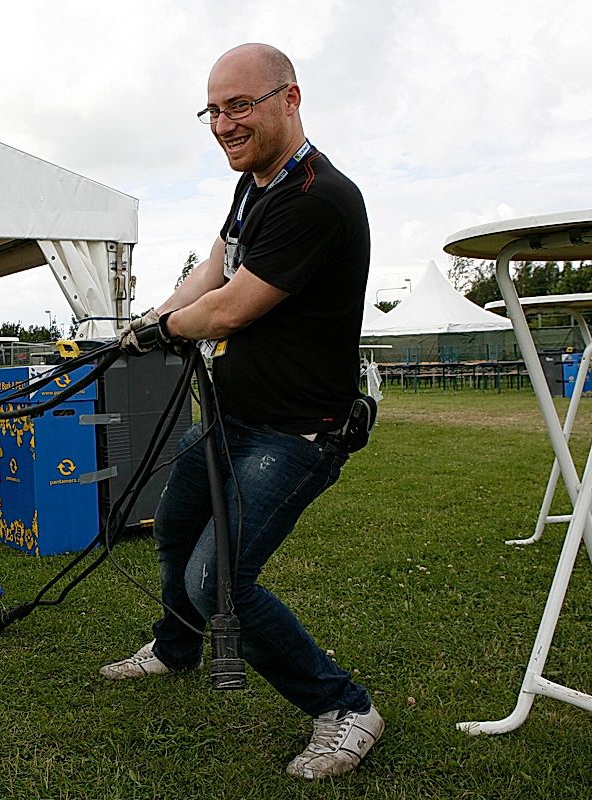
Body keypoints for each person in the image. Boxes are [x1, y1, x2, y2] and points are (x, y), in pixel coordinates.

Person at [103, 43, 381, 780]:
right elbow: (217, 266)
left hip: (297, 436)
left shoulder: (317, 197)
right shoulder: (258, 185)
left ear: (290, 99)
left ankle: (345, 709)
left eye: (241, 105)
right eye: (215, 110)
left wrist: (161, 331)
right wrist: (152, 315)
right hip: (233, 420)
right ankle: (175, 648)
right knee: (175, 532)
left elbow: (229, 308)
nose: (225, 123)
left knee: (217, 583)